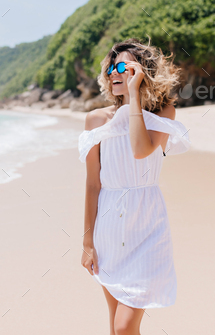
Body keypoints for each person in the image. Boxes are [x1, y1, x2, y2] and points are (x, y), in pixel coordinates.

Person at [78, 38, 191, 335]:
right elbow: (92, 185)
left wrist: (133, 97)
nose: (114, 73)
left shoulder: (163, 113)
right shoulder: (95, 121)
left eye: (123, 67)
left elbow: (141, 149)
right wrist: (88, 243)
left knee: (125, 326)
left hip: (146, 227)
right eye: (110, 68)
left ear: (143, 72)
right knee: (116, 329)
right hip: (108, 232)